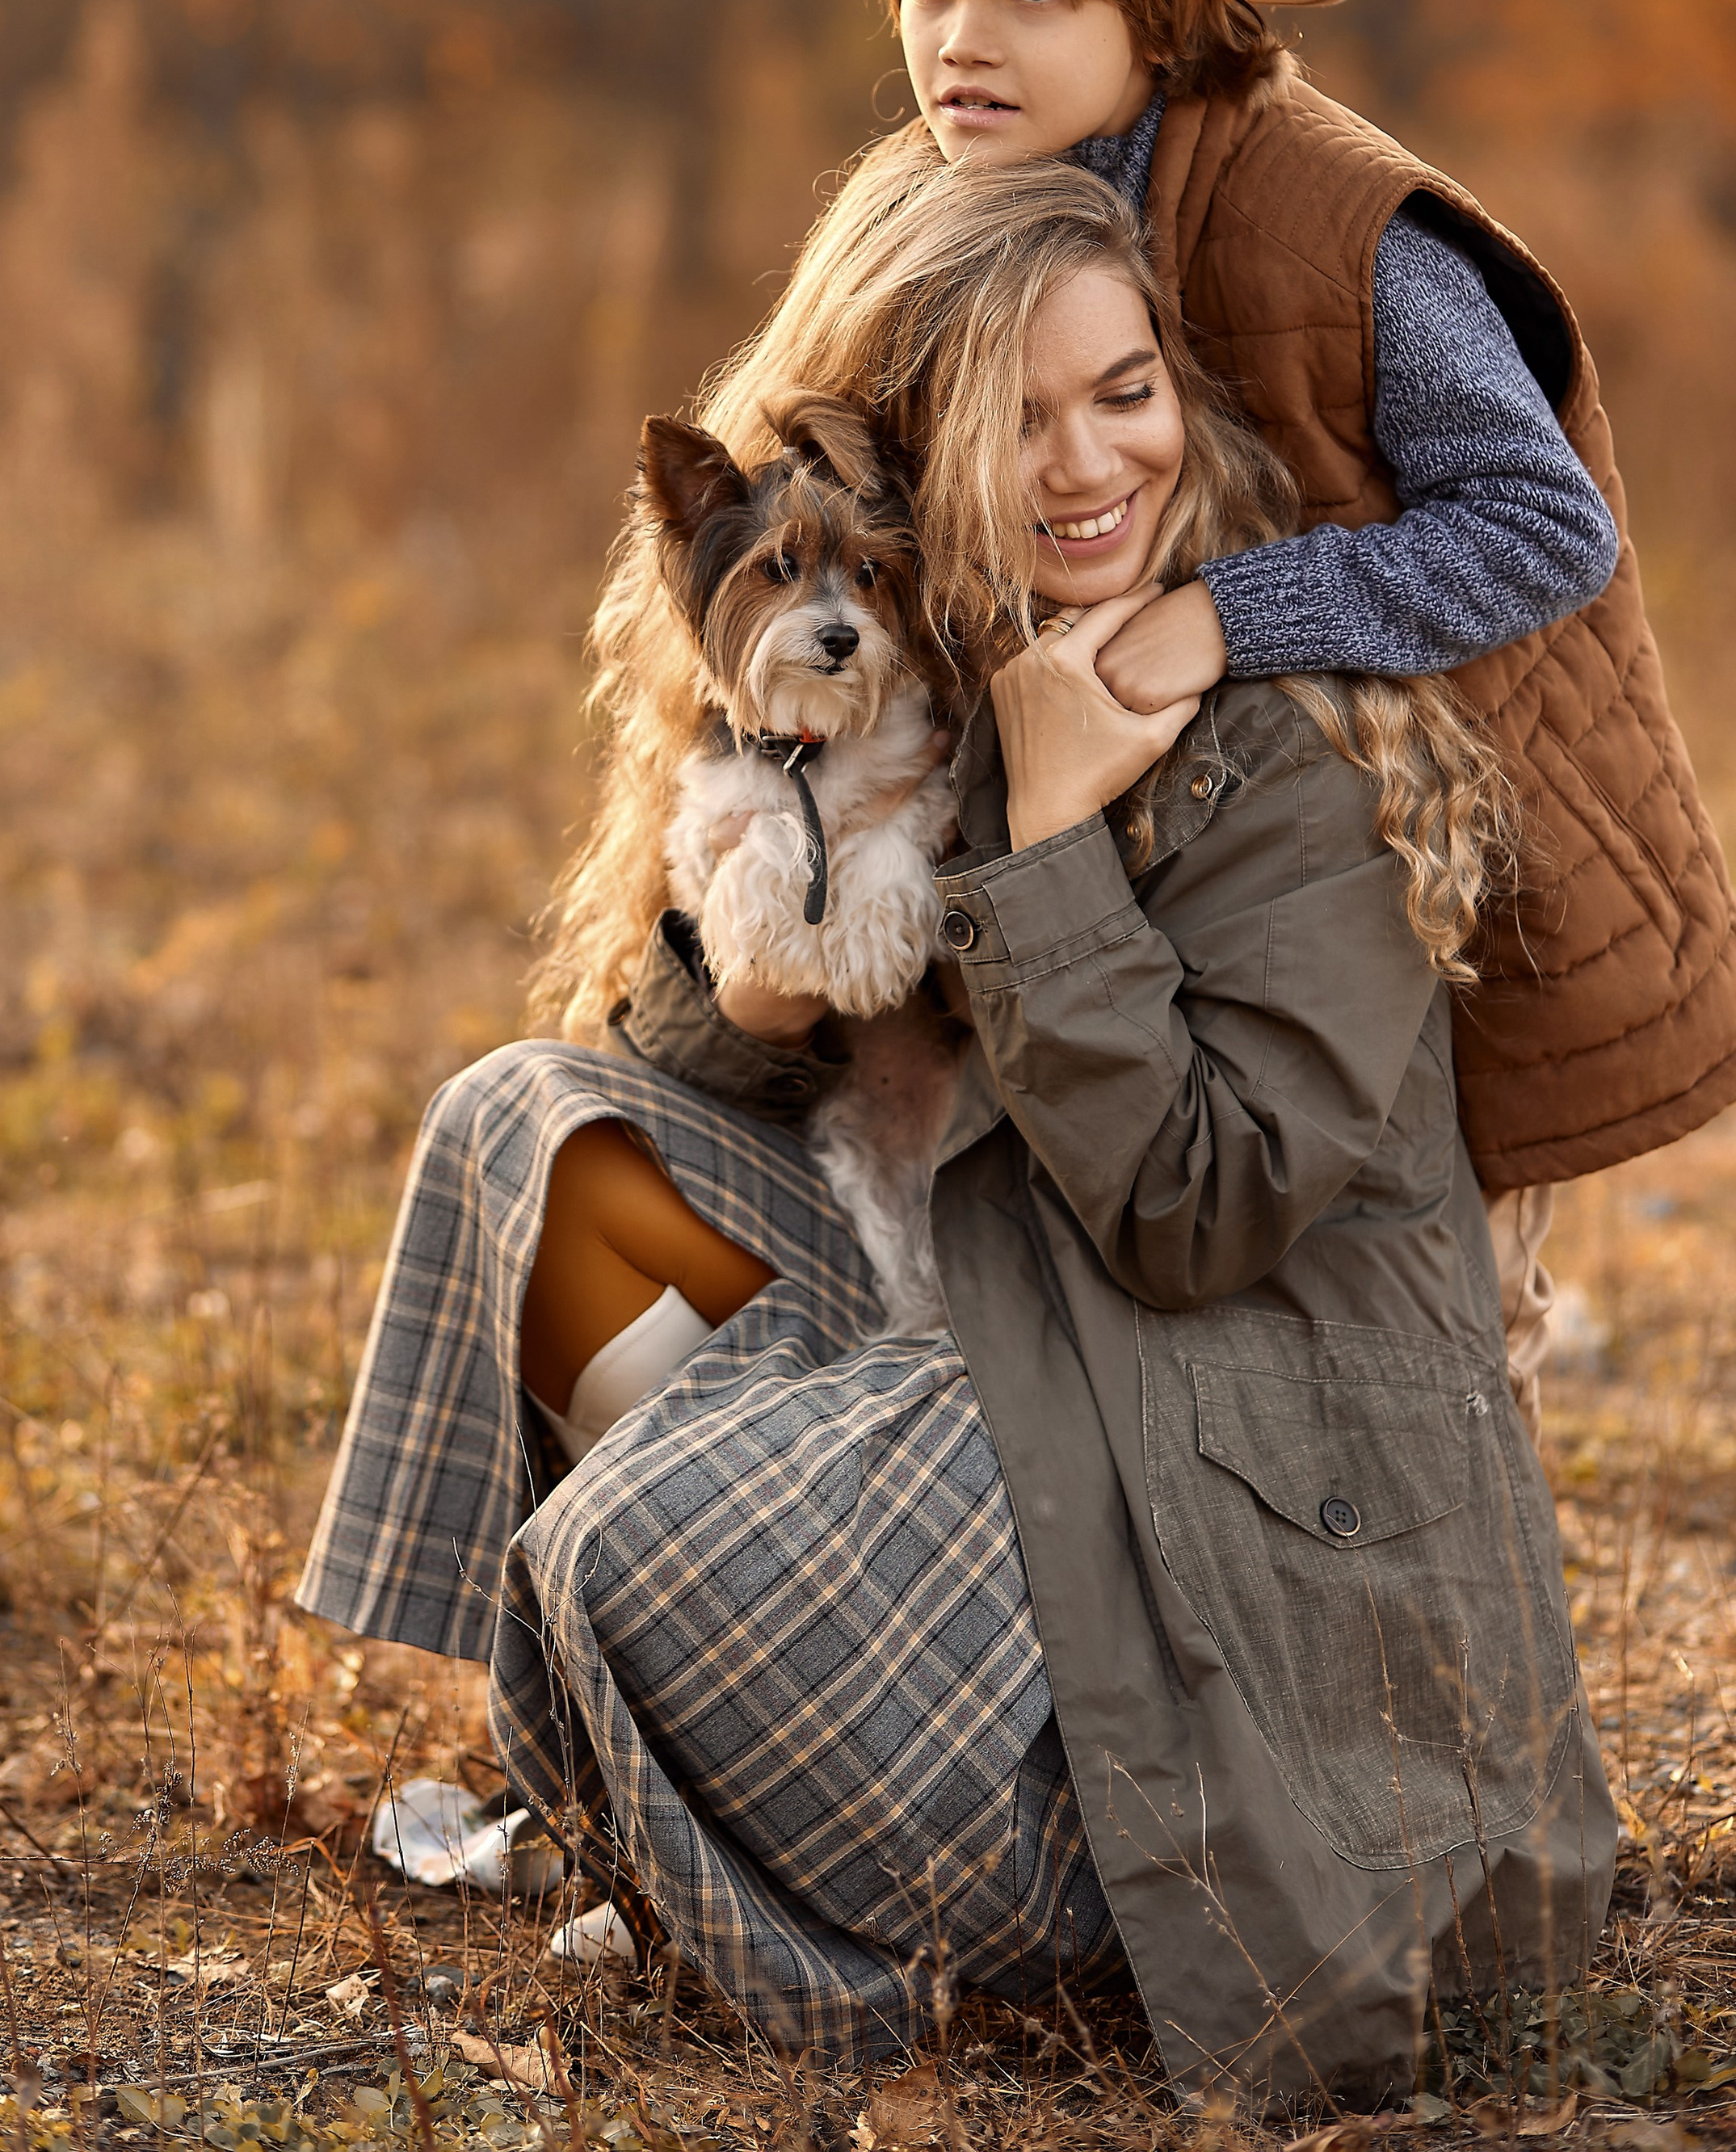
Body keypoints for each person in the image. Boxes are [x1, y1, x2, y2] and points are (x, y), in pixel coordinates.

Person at [299, 162, 1614, 2106]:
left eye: (1126, 391)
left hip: (1223, 1524)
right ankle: (672, 1757)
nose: (1088, 460)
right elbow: (739, 1040)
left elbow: (1196, 1215)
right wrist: (733, 984)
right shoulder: (961, 668)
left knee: (626, 1550)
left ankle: (811, 1830)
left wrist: (1064, 846)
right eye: (1014, 415)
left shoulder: (1294, 739)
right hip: (1021, 1356)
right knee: (529, 1125)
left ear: (1187, 396)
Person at [740, 0, 1736, 1397]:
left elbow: (1539, 523)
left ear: (1162, 7)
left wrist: (1225, 613)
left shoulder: (1328, 221)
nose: (958, 38)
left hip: (1419, 837)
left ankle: (1435, 1561)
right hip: (1151, 837)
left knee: (1408, 1290)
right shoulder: (957, 204)